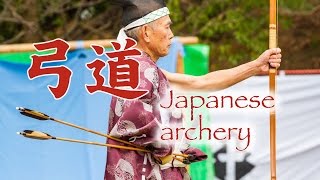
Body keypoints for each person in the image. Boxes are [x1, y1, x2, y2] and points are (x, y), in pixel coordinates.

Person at [105, 1, 282, 180]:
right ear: (146, 33)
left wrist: (256, 66)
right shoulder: (138, 69)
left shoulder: (145, 69)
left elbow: (201, 82)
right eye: (167, 27)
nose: (171, 35)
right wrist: (167, 149)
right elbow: (136, 119)